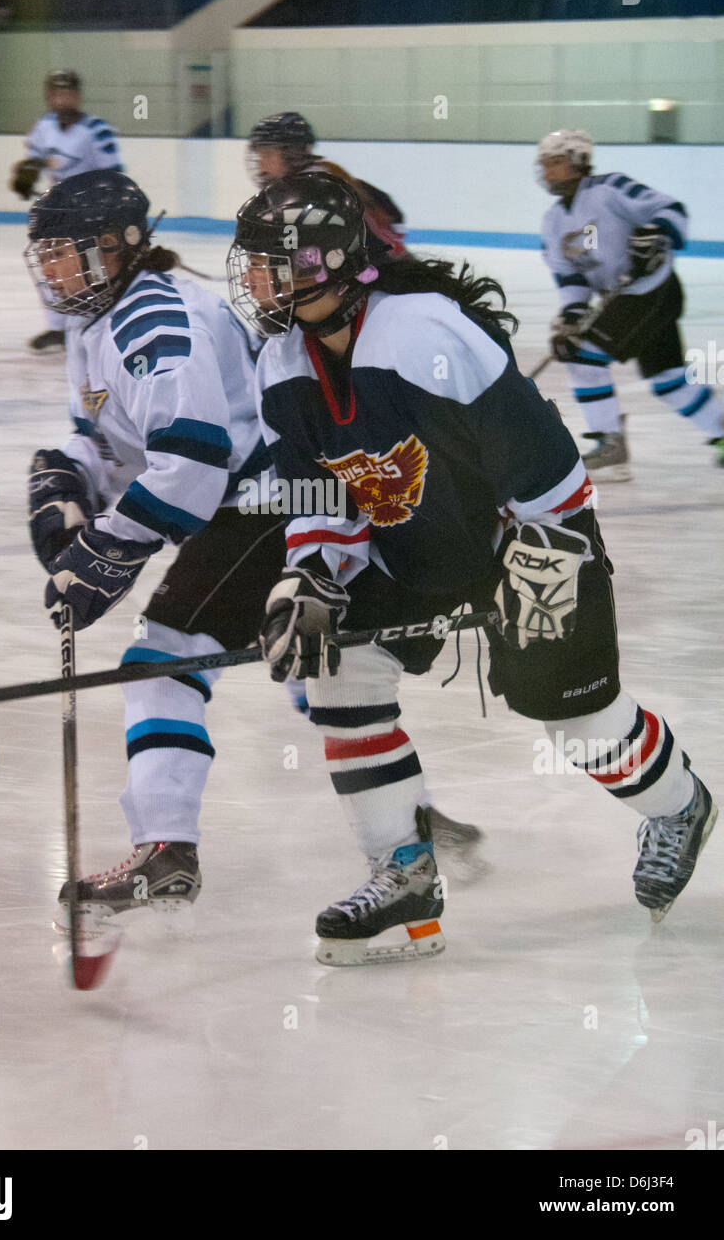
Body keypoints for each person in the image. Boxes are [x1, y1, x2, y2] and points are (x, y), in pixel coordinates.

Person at [226, 171, 717, 967]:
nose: (253, 284)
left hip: (525, 536)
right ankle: (403, 874)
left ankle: (677, 805)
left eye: (269, 265)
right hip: (412, 543)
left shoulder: (421, 333)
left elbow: (546, 464)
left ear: (329, 266)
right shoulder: (281, 363)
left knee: (574, 722)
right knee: (340, 669)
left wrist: (543, 567)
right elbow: (320, 489)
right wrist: (309, 574)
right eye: (249, 265)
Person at [23, 169, 284, 921]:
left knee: (160, 657)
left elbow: (194, 458)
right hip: (238, 505)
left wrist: (109, 548)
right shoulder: (101, 318)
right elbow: (115, 441)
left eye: (61, 253)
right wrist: (75, 491)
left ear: (116, 248)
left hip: (266, 507)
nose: (48, 269)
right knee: (319, 679)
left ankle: (166, 848)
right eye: (41, 255)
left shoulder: (157, 325)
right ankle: (414, 814)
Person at [538, 129, 724, 478]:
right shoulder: (552, 222)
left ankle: (610, 440)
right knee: (668, 380)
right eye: (545, 164)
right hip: (627, 298)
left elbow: (672, 210)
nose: (548, 171)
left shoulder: (610, 189)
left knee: (583, 354)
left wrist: (656, 234)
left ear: (579, 161)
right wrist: (573, 313)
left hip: (650, 292)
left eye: (557, 162)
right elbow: (571, 277)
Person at [12, 70, 124, 353]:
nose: (64, 99)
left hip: (91, 211)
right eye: (58, 94)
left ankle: (99, 320)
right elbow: (35, 159)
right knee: (49, 264)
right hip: (57, 207)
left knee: (93, 268)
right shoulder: (44, 126)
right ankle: (57, 328)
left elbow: (113, 173)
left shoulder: (96, 130)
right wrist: (27, 175)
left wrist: (107, 207)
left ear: (78, 96)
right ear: (49, 97)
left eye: (69, 93)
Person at [246, 111, 410, 266]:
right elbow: (394, 217)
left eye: (267, 153)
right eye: (258, 154)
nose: (260, 162)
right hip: (391, 273)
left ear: (292, 154)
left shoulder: (309, 191)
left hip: (379, 282)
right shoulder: (327, 174)